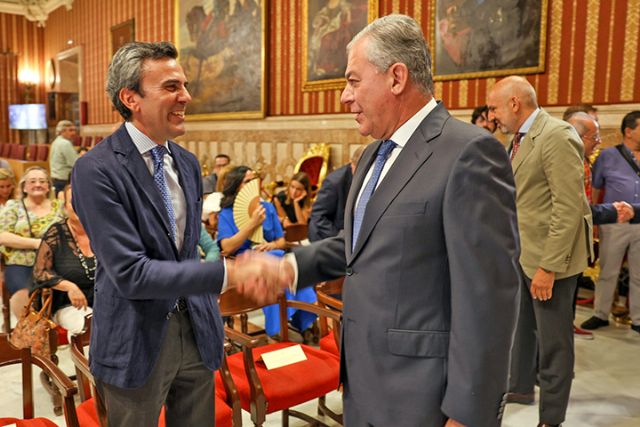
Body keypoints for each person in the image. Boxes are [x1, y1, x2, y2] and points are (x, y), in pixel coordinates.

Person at [270, 15, 521, 427]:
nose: (344, 98)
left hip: (423, 397)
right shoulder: (372, 154)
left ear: (396, 77)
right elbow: (365, 241)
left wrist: (468, 413)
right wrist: (291, 265)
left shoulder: (469, 153)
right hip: (363, 385)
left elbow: (489, 298)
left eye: (353, 81)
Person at [71, 41, 284, 427]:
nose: (186, 96)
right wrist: (230, 272)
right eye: (171, 87)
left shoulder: (185, 162)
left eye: (184, 85)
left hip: (197, 330)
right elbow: (132, 274)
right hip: (136, 339)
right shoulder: (96, 169)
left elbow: (183, 247)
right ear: (130, 97)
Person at [487, 76, 593, 427]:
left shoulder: (557, 136)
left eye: (494, 108)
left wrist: (549, 267)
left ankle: (552, 417)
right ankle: (519, 386)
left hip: (551, 260)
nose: (491, 116)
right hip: (523, 255)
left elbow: (568, 208)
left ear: (515, 103)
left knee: (554, 344)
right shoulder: (518, 139)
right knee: (520, 329)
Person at [217, 166, 316, 336]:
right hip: (245, 262)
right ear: (236, 186)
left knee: (285, 259)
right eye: (247, 182)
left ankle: (297, 319)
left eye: (253, 181)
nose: (252, 185)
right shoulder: (226, 213)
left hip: (272, 254)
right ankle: (280, 326)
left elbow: (281, 240)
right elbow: (227, 247)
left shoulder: (267, 207)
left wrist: (272, 245)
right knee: (277, 262)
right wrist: (252, 224)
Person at [581, 110, 640, 334]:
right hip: (614, 223)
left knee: (639, 274)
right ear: (629, 131)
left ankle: (638, 318)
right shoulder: (608, 156)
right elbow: (595, 188)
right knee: (608, 270)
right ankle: (600, 314)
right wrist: (593, 220)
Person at [0, 166, 64, 322]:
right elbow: (3, 236)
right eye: (32, 181)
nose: (38, 184)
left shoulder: (59, 207)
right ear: (24, 186)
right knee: (24, 291)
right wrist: (37, 244)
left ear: (48, 186)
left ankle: (57, 325)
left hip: (55, 261)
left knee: (68, 285)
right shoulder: (13, 206)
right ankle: (30, 330)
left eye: (42, 181)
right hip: (21, 262)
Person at [31, 185, 94, 337]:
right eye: (73, 202)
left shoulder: (102, 230)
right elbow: (40, 272)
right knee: (91, 325)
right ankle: (85, 360)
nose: (80, 206)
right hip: (69, 303)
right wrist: (69, 286)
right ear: (65, 206)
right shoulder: (56, 232)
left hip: (105, 299)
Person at [308, 145, 364, 241]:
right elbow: (318, 216)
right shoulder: (334, 182)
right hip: (326, 237)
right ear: (352, 163)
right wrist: (341, 238)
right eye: (360, 169)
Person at [50, 120, 79, 194]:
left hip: (55, 179)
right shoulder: (65, 143)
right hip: (63, 180)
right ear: (62, 131)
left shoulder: (56, 141)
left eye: (74, 130)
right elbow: (75, 163)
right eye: (70, 130)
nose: (74, 133)